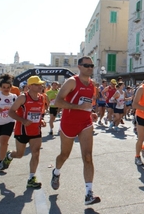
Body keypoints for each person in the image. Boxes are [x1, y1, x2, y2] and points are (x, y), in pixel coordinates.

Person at [50, 56, 100, 205]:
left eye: (92, 65)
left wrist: (91, 112)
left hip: (85, 123)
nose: (90, 68)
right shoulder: (72, 81)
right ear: (79, 67)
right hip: (69, 123)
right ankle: (56, 171)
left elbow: (86, 103)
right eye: (86, 65)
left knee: (88, 156)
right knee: (64, 155)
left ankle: (88, 194)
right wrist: (79, 108)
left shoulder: (92, 84)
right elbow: (58, 102)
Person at [7, 76, 46, 188]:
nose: (40, 86)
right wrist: (23, 120)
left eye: (41, 84)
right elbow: (11, 112)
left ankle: (31, 178)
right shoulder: (22, 98)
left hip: (35, 130)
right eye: (37, 84)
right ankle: (9, 156)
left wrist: (41, 120)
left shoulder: (41, 98)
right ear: (30, 86)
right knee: (19, 154)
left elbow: (39, 113)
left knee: (36, 152)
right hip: (22, 130)